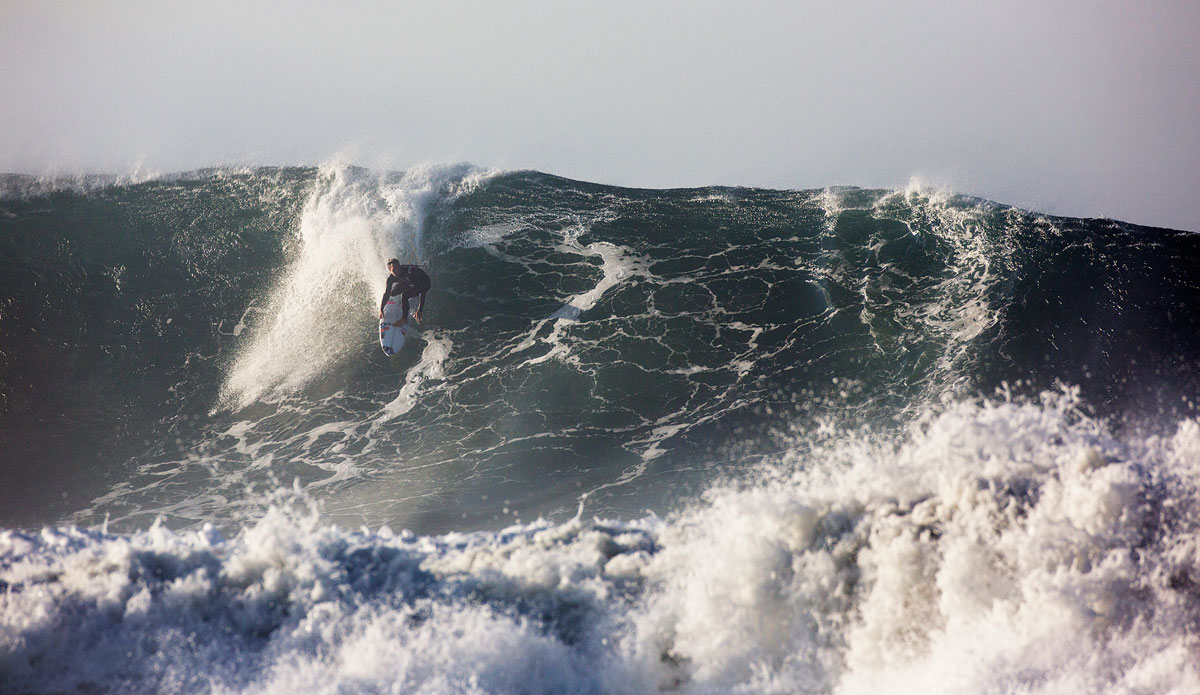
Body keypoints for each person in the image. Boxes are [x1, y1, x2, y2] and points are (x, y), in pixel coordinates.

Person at [379, 258, 430, 326]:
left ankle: (404, 319)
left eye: (397, 268)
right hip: (408, 282)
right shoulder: (390, 278)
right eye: (394, 270)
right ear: (390, 270)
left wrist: (420, 309)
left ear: (399, 266)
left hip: (424, 283)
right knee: (392, 293)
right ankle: (403, 304)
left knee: (405, 295)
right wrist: (381, 309)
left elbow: (423, 290)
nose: (396, 271)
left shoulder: (409, 273)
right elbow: (386, 293)